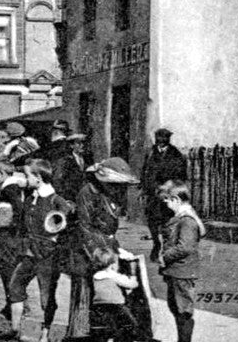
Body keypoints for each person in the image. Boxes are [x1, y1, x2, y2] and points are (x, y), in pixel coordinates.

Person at [63, 157, 139, 342]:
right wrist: (102, 258)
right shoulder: (87, 194)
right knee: (85, 299)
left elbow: (109, 230)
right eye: (114, 185)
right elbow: (86, 229)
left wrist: (117, 250)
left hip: (106, 253)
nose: (118, 189)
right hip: (89, 255)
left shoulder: (108, 194)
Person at [4, 158, 70, 342]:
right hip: (29, 252)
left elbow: (64, 223)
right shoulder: (31, 196)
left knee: (46, 297)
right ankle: (15, 330)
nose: (25, 179)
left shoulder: (56, 200)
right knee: (15, 287)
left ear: (39, 177)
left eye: (28, 175)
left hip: (48, 256)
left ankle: (45, 335)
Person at [157, 179, 204, 342]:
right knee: (176, 308)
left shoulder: (187, 221)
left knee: (183, 311)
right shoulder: (182, 218)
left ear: (176, 199)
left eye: (167, 201)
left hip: (182, 273)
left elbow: (185, 247)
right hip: (177, 272)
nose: (166, 205)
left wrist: (165, 257)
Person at [141, 128, 188, 262]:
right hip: (153, 193)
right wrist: (145, 188)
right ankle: (156, 244)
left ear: (168, 139)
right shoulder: (150, 153)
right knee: (152, 220)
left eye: (163, 138)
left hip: (168, 194)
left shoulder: (176, 154)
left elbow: (181, 176)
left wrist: (170, 189)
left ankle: (168, 247)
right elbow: (145, 171)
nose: (160, 141)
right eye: (158, 138)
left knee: (168, 221)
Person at [0, 160, 27, 320]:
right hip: (13, 236)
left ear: (1, 173)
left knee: (6, 268)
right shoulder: (16, 187)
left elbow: (14, 212)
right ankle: (11, 304)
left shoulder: (8, 189)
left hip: (6, 236)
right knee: (11, 269)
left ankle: (14, 305)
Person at [92, 248, 140, 342]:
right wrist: (133, 274)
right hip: (117, 307)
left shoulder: (96, 276)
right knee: (132, 326)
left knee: (109, 330)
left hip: (99, 307)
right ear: (112, 264)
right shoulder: (114, 276)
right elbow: (132, 284)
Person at [52, 133, 89, 201]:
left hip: (84, 197)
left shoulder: (87, 159)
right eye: (78, 143)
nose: (82, 146)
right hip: (70, 198)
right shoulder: (65, 161)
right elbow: (57, 181)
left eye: (83, 143)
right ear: (71, 145)